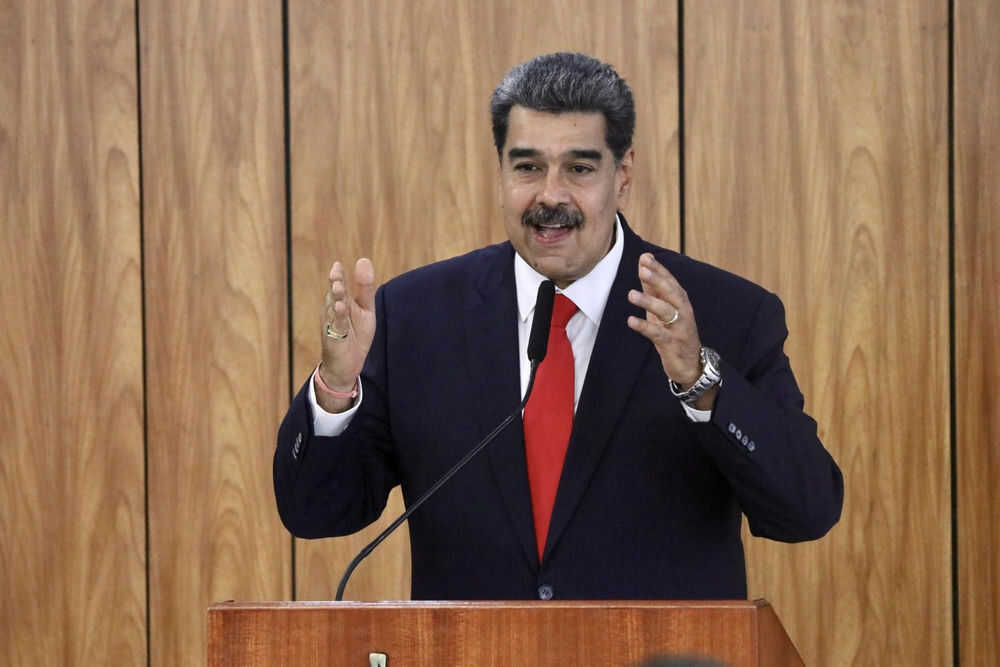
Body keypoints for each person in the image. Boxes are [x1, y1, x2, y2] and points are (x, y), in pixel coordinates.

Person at [274, 52, 843, 601]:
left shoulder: (725, 314)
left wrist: (702, 382)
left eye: (579, 168)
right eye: (528, 167)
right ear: (500, 171)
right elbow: (317, 513)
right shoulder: (417, 316)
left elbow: (806, 512)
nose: (550, 195)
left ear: (623, 175)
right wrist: (336, 390)